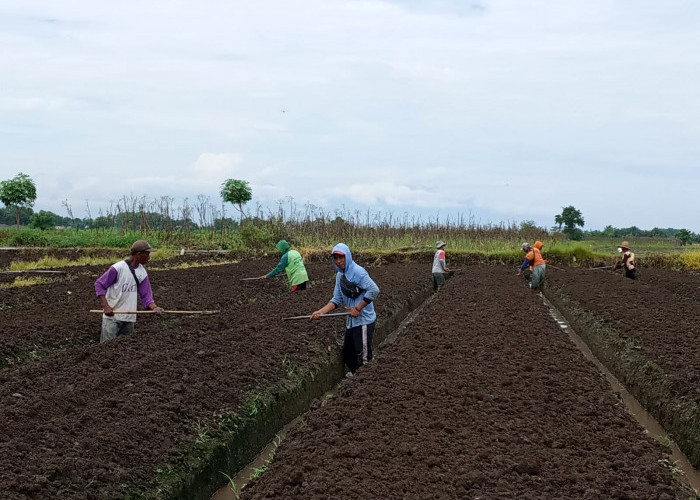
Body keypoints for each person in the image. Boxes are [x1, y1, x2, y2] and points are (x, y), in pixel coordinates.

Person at [311, 243, 380, 374]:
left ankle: (366, 384)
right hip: (352, 322)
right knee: (348, 354)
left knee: (363, 359)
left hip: (364, 321)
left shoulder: (357, 272)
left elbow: (374, 290)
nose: (339, 261)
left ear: (347, 256)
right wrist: (321, 312)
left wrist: (358, 308)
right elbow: (336, 299)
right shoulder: (340, 276)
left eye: (341, 257)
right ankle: (356, 379)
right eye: (335, 258)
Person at [95, 240, 164, 342]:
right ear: (138, 254)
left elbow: (146, 296)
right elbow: (99, 284)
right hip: (112, 317)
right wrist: (106, 306)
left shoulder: (142, 272)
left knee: (125, 351)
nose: (149, 257)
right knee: (107, 349)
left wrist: (154, 307)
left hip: (129, 319)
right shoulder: (118, 268)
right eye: (147, 254)